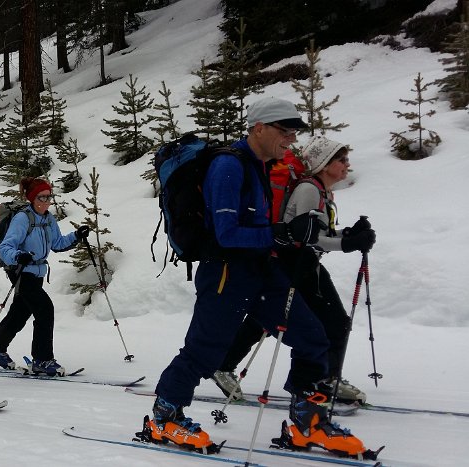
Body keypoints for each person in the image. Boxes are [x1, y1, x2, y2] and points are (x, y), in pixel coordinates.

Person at [146, 97, 375, 457]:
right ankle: (164, 416)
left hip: (261, 269)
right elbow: (226, 233)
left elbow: (263, 227)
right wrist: (280, 234)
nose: (291, 139)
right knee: (206, 350)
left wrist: (311, 235)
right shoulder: (229, 166)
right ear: (259, 128)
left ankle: (307, 423)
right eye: (285, 131)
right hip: (225, 271)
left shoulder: (262, 166)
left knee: (313, 338)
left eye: (294, 132)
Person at [212, 136, 376, 405]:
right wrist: (347, 243)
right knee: (332, 322)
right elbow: (308, 237)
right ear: (324, 164)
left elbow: (318, 231)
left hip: (300, 262)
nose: (347, 165)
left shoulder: (321, 190)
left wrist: (347, 233)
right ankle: (325, 379)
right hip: (295, 262)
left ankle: (223, 364)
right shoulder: (309, 190)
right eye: (341, 160)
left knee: (264, 321)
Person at [0, 177, 90, 376]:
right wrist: (18, 255)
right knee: (45, 309)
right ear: (32, 198)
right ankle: (42, 359)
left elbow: (57, 243)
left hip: (37, 273)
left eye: (49, 196)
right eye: (42, 197)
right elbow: (6, 247)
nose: (47, 201)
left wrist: (76, 236)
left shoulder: (49, 219)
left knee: (20, 313)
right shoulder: (23, 218)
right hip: (22, 272)